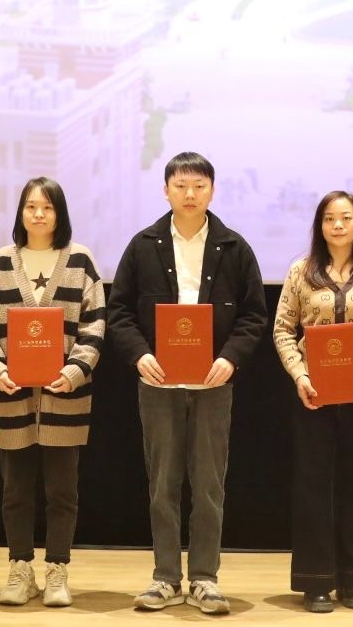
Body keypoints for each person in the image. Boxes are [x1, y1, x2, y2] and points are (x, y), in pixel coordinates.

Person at [107, 151, 268, 615]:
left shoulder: (234, 247)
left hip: (214, 384)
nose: (190, 194)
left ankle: (204, 579)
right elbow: (119, 312)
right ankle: (165, 578)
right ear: (166, 191)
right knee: (162, 484)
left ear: (212, 191)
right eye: (181, 186)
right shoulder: (143, 245)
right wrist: (140, 355)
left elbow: (254, 315)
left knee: (209, 485)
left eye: (199, 186)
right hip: (158, 383)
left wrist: (230, 359)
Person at [0, 177, 106, 608]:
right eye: (31, 206)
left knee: (62, 492)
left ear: (59, 213)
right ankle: (20, 570)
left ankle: (57, 571)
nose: (38, 214)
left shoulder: (81, 260)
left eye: (47, 207)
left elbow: (95, 324)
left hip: (65, 397)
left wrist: (74, 371)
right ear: (21, 212)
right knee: (15, 492)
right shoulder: (1, 262)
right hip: (12, 397)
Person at [272, 190, 353, 613]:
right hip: (313, 396)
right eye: (330, 218)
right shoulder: (301, 271)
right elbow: (282, 329)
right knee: (313, 487)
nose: (338, 225)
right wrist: (300, 374)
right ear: (320, 225)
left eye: (346, 217)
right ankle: (316, 583)